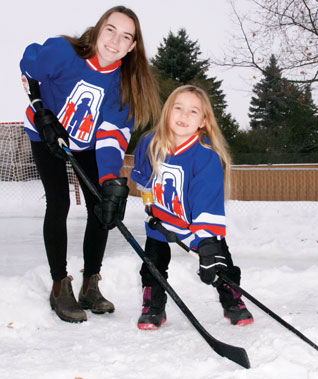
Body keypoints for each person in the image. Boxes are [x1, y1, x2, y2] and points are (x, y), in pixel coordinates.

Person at [20, 6, 161, 323]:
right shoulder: (62, 53)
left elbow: (110, 137)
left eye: (126, 36)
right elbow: (28, 68)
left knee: (101, 205)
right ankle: (60, 286)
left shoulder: (125, 87)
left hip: (85, 142)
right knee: (59, 202)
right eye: (111, 30)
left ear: (132, 47)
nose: (115, 40)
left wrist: (111, 181)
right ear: (99, 29)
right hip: (46, 134)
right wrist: (40, 108)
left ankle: (90, 284)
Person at [131, 85, 253, 330]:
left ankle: (232, 300)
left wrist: (206, 243)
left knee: (219, 262)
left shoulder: (205, 156)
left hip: (196, 221)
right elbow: (144, 180)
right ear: (167, 112)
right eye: (178, 108)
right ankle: (153, 305)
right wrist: (149, 207)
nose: (184, 116)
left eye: (193, 111)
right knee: (153, 262)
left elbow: (207, 203)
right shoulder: (149, 143)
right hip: (160, 220)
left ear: (203, 121)